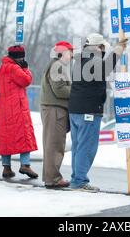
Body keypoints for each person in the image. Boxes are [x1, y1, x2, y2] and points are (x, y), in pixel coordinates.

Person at [68, 33, 127, 192]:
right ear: (99, 47)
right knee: (86, 147)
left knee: (78, 146)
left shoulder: (80, 59)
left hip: (75, 110)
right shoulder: (93, 59)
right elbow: (106, 67)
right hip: (89, 111)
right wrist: (119, 49)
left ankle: (76, 178)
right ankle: (79, 181)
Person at [0, 45, 38, 179]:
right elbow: (26, 81)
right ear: (19, 57)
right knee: (23, 133)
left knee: (5, 136)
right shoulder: (14, 68)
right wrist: (25, 69)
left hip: (3, 107)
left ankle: (6, 167)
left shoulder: (1, 68)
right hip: (16, 107)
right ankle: (25, 165)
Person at [40, 41, 74, 189]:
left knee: (52, 145)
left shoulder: (57, 65)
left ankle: (51, 177)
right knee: (54, 145)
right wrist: (76, 91)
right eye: (69, 52)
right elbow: (59, 90)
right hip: (55, 110)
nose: (71, 55)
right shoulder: (58, 66)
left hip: (54, 110)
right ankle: (53, 178)